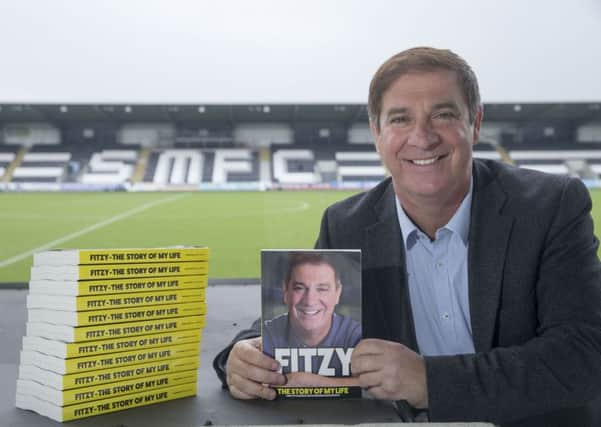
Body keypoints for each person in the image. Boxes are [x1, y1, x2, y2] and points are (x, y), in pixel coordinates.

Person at [214, 47, 601, 426]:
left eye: (443, 114)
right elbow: (297, 318)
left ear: (476, 122)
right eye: (400, 119)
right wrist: (239, 355)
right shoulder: (347, 222)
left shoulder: (550, 206)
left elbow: (585, 350)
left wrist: (431, 382)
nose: (422, 136)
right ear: (376, 133)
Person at [262, 252, 361, 379]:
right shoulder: (268, 335)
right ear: (285, 291)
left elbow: (372, 387)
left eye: (322, 289)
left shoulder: (354, 336)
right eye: (300, 288)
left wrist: (312, 382)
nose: (310, 301)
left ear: (338, 293)